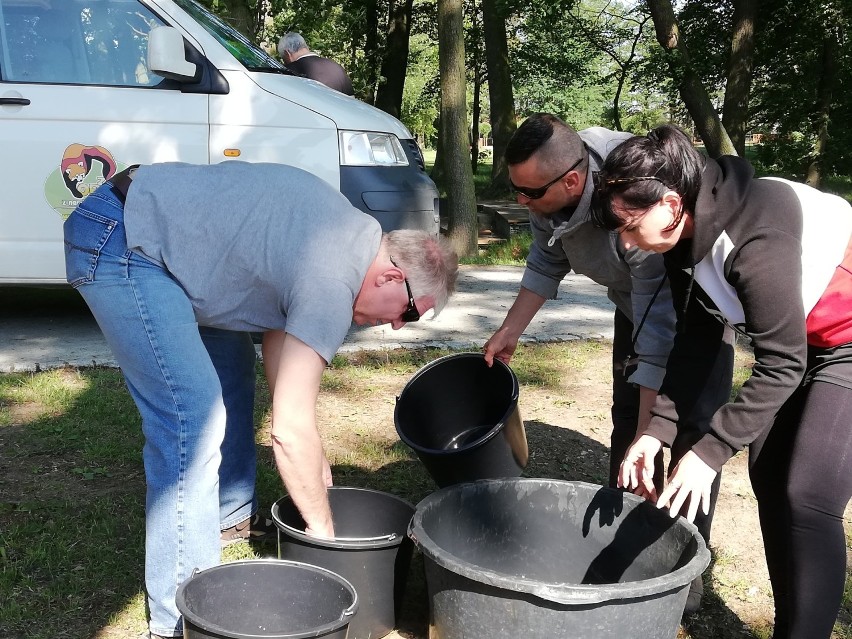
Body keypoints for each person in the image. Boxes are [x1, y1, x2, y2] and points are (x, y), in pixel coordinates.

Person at [63, 161, 458, 639]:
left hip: (155, 233)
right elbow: (287, 431)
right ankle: (180, 621)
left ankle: (225, 519)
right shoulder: (333, 281)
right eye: (410, 313)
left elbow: (283, 364)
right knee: (193, 418)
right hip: (125, 241)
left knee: (231, 372)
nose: (398, 325)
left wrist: (314, 462)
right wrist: (324, 533)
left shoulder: (348, 235)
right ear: (392, 277)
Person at [593, 124, 852, 639]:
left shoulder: (756, 235)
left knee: (807, 491)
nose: (624, 242)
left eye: (628, 225)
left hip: (844, 339)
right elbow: (696, 341)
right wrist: (655, 431)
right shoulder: (681, 239)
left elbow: (781, 365)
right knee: (770, 473)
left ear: (669, 203)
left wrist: (709, 452)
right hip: (805, 342)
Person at [482, 113, 734, 613]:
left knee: (689, 431)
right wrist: (510, 330)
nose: (521, 202)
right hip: (633, 304)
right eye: (518, 191)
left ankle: (684, 561)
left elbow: (659, 331)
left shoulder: (635, 202)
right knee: (628, 420)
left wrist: (651, 432)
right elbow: (545, 257)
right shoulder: (545, 188)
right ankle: (623, 528)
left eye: (528, 194)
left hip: (697, 304)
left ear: (572, 180)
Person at [277, 32, 354, 96]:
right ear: (306, 47)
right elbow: (352, 102)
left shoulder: (288, 73)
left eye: (284, 59)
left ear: (287, 53)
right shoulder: (336, 68)